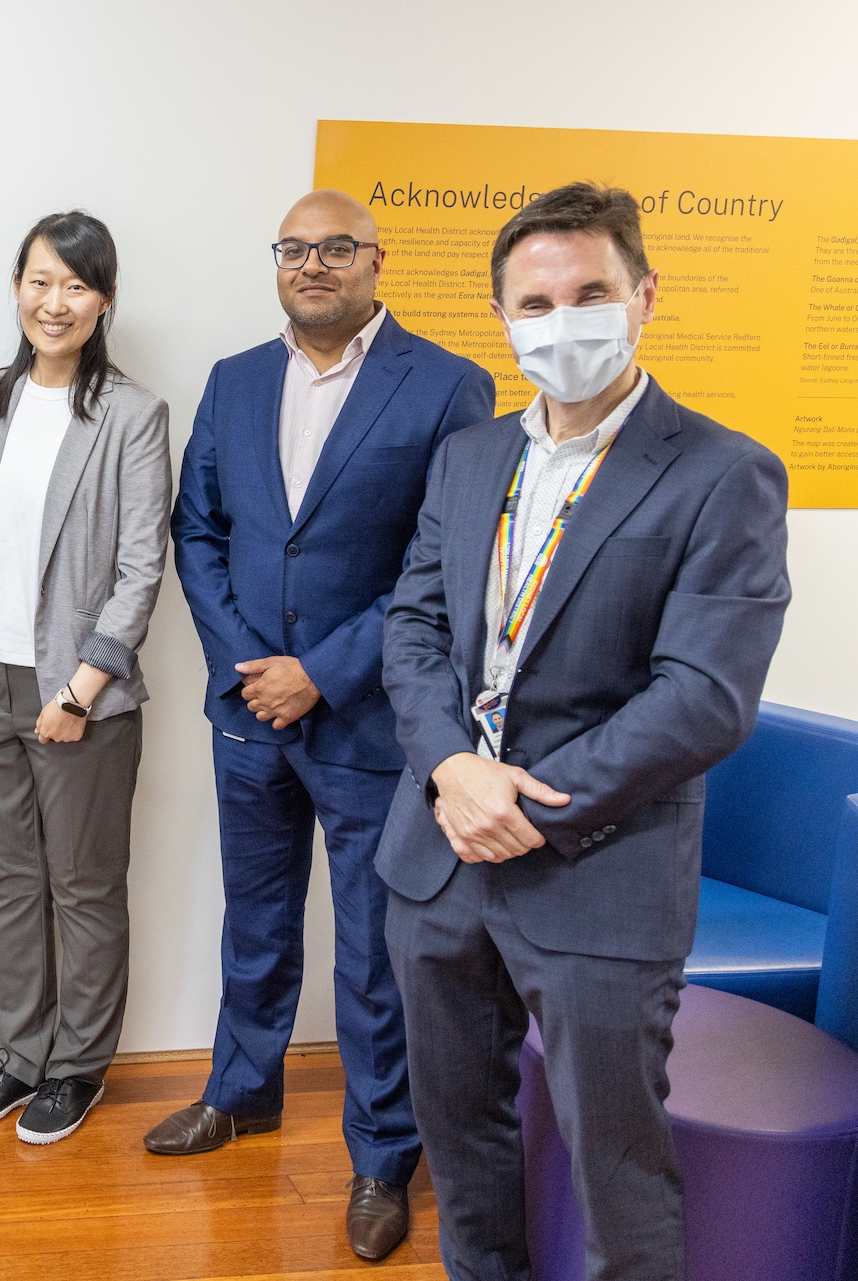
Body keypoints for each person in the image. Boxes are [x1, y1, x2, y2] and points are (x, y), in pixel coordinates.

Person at [379, 183, 790, 1281]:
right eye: (537, 302)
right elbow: (412, 627)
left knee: (618, 1169)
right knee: (460, 1145)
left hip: (601, 871)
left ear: (644, 296)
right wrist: (455, 773)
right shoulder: (470, 460)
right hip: (437, 858)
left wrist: (523, 804)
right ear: (506, 321)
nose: (564, 322)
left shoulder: (721, 472)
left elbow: (703, 695)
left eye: (590, 293)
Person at [147, 189, 495, 1260]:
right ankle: (242, 1089)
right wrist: (251, 668)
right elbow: (195, 529)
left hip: (372, 725)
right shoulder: (236, 379)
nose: (313, 264)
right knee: (252, 922)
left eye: (335, 247)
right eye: (294, 248)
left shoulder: (447, 387)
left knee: (373, 951)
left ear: (375, 261)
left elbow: (445, 564)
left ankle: (383, 1156)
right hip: (250, 711)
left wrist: (323, 672)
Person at [0, 211, 170, 1145]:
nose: (53, 302)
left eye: (74, 285)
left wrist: (80, 690)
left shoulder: (134, 415)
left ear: (103, 300)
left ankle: (77, 1066)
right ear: (16, 287)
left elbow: (142, 570)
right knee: (12, 879)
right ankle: (20, 1056)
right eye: (38, 280)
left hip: (82, 695)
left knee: (86, 884)